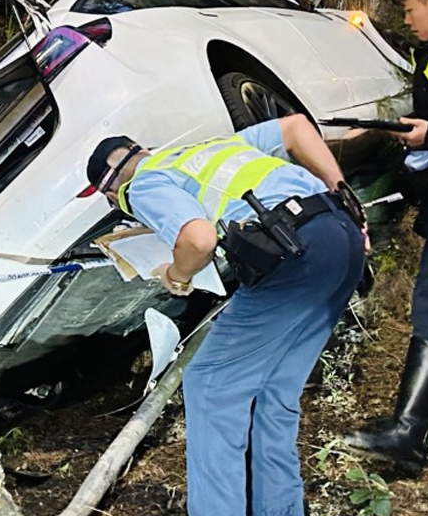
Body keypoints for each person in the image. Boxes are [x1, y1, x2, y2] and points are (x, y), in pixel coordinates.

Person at [85, 113, 368, 516]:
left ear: (111, 189)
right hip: (341, 236)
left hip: (293, 257)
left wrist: (177, 274)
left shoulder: (143, 182)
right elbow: (296, 127)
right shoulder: (211, 147)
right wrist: (342, 192)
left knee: (209, 385)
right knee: (273, 393)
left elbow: (197, 238)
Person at [343, 0, 428, 476]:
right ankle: (411, 431)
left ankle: (409, 433)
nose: (404, 19)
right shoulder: (427, 53)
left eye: (409, 7)